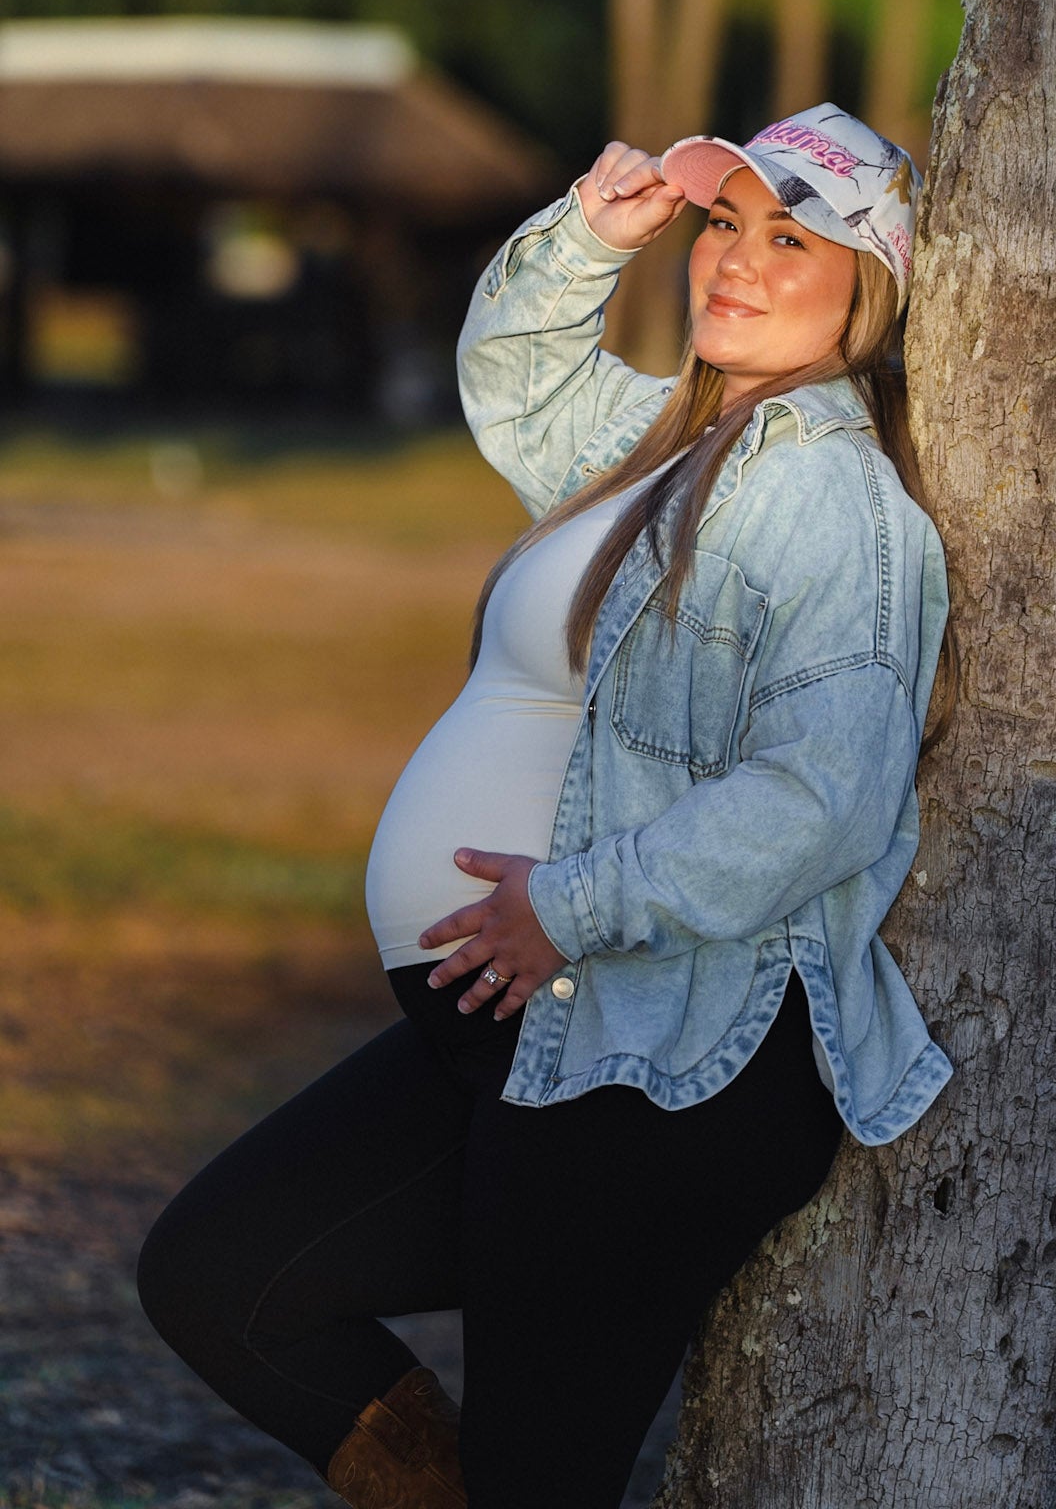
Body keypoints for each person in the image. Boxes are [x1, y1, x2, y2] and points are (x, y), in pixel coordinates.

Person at [137, 102, 955, 1509]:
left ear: (868, 290)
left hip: (662, 1051)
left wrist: (569, 907)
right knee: (225, 1277)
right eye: (721, 225)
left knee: (540, 1469)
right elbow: (515, 383)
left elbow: (821, 792)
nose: (733, 262)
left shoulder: (827, 496)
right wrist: (588, 236)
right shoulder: (672, 444)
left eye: (788, 237)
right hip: (528, 1028)